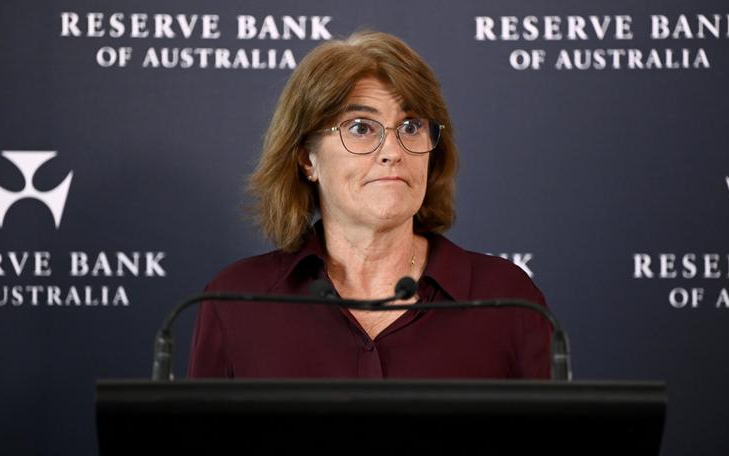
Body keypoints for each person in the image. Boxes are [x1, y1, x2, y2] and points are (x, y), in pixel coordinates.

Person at [188, 30, 552, 379]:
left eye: (411, 127)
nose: (393, 152)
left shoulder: (506, 299)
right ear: (306, 159)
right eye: (361, 128)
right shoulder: (239, 301)